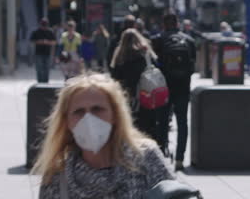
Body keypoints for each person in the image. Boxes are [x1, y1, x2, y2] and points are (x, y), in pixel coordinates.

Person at [31, 73, 175, 198]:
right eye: (79, 112)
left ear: (115, 115)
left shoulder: (146, 158)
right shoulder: (57, 177)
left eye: (97, 109)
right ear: (67, 121)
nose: (89, 120)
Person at [152, 14, 196, 171]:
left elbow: (152, 65)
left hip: (164, 87)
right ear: (177, 23)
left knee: (162, 122)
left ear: (163, 25)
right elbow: (192, 66)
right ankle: (179, 159)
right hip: (183, 87)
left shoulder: (158, 40)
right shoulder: (189, 40)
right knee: (182, 122)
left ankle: (162, 156)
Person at [110, 28, 159, 140]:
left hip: (127, 95)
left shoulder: (119, 55)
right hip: (145, 93)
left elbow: (115, 76)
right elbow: (155, 67)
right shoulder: (144, 53)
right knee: (147, 124)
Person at [30, 18, 56, 83]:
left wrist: (47, 42)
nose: (44, 27)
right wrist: (39, 42)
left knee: (47, 69)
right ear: (40, 25)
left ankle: (45, 82)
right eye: (43, 25)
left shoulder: (50, 32)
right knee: (39, 68)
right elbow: (31, 41)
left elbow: (54, 42)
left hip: (47, 53)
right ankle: (40, 82)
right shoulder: (36, 32)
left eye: (45, 25)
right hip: (38, 53)